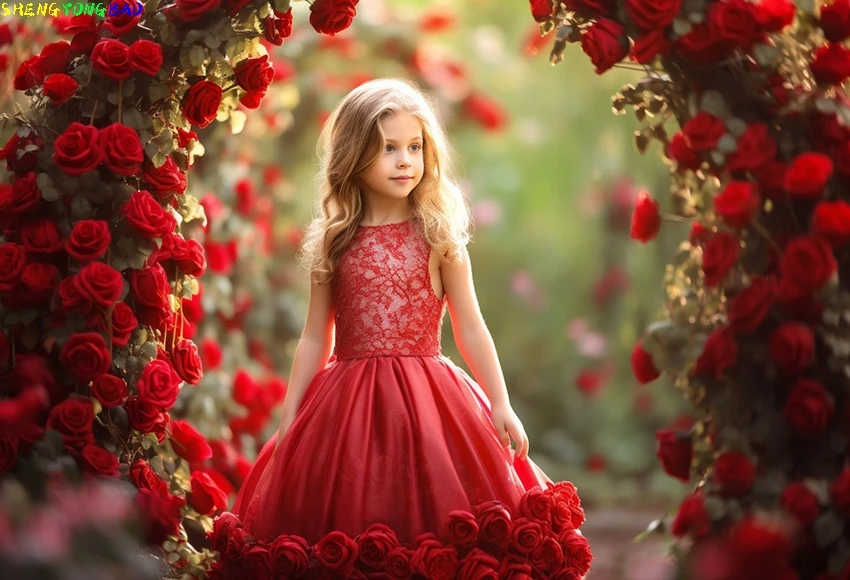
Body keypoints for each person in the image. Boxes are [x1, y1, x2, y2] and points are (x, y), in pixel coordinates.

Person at [211, 78, 592, 580]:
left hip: (431, 402)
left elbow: (471, 325)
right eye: (388, 148)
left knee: (437, 521)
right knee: (349, 519)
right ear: (354, 153)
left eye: (415, 147)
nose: (404, 160)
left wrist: (500, 402)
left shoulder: (438, 237)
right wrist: (291, 419)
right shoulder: (334, 241)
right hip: (345, 403)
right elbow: (313, 336)